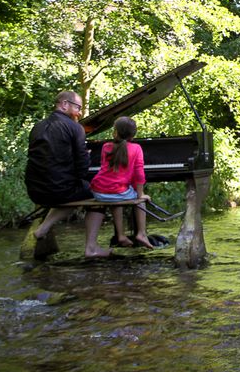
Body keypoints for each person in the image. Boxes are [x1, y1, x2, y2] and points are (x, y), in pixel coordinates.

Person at [25, 91, 110, 258]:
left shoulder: (37, 127)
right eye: (78, 108)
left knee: (69, 188)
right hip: (59, 190)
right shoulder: (75, 128)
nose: (79, 113)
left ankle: (43, 229)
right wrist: (85, 155)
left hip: (34, 190)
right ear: (64, 104)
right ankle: (91, 248)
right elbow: (83, 170)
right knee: (100, 193)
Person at [86, 116, 154, 250]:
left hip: (98, 191)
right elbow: (139, 175)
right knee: (139, 200)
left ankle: (121, 235)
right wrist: (140, 194)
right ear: (133, 135)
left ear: (115, 132)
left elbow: (106, 171)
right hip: (117, 192)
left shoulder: (106, 146)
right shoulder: (136, 148)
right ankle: (141, 233)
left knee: (116, 192)